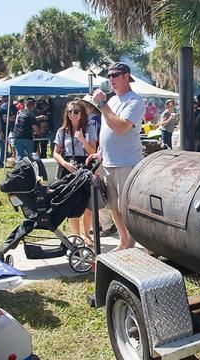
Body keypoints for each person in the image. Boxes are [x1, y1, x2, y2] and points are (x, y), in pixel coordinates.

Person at [88, 61, 145, 251]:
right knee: (113, 206)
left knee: (125, 207)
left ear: (126, 76)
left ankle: (133, 241)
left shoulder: (135, 101)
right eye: (109, 76)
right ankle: (124, 241)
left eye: (115, 75)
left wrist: (102, 104)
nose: (110, 79)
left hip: (127, 163)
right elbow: (107, 130)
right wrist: (100, 153)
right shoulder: (112, 101)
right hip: (108, 163)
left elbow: (120, 127)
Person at [53, 100, 96, 246]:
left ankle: (87, 234)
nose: (72, 114)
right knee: (71, 203)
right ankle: (75, 235)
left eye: (76, 111)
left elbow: (93, 152)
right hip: (68, 167)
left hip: (85, 165)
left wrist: (82, 139)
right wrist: (65, 163)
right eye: (70, 112)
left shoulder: (89, 128)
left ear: (82, 113)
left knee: (87, 203)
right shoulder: (62, 131)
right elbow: (56, 153)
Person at [81, 94, 117, 238]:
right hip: (99, 159)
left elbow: (95, 144)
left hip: (96, 160)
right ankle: (102, 224)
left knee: (96, 193)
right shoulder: (97, 119)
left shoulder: (94, 121)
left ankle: (106, 223)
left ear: (89, 107)